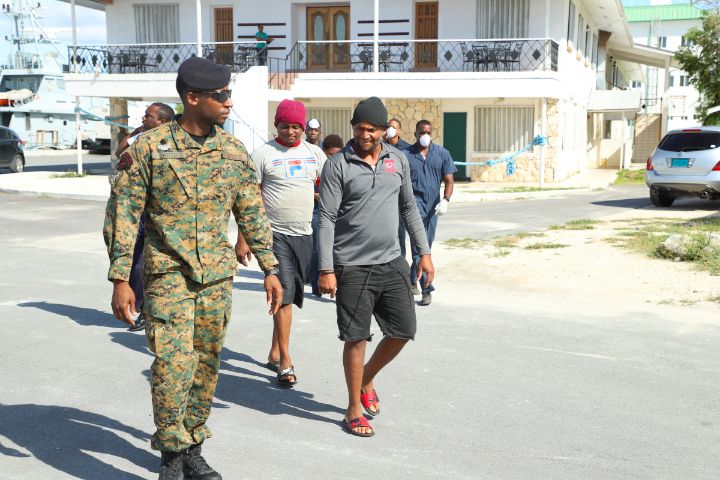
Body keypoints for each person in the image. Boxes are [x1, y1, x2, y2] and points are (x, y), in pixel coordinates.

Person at [103, 56, 282, 480]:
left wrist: (271, 268)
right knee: (170, 364)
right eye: (220, 96)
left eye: (227, 94)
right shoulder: (149, 148)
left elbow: (251, 213)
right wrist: (119, 279)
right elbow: (124, 217)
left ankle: (193, 445)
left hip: (216, 278)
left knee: (206, 363)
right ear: (193, 98)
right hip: (168, 275)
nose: (228, 102)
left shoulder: (233, 151)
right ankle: (171, 453)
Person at [317, 97, 434, 437]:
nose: (364, 135)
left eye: (371, 130)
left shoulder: (397, 159)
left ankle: (366, 378)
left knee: (402, 330)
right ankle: (353, 407)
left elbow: (409, 208)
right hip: (351, 265)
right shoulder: (338, 165)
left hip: (391, 261)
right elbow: (325, 218)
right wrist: (326, 268)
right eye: (359, 128)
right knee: (356, 338)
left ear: (385, 131)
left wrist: (423, 252)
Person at [237, 99, 326, 387]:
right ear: (277, 126)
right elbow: (247, 200)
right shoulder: (262, 154)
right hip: (273, 236)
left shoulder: (315, 154)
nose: (291, 131)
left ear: (303, 127)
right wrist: (243, 238)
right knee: (284, 292)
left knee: (291, 294)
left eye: (296, 127)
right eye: (285, 126)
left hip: (305, 235)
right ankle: (285, 361)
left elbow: (329, 190)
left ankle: (275, 349)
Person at [115, 102, 175, 332]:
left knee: (145, 263)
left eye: (148, 116)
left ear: (161, 121)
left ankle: (145, 309)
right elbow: (119, 151)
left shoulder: (168, 143)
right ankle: (141, 306)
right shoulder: (139, 137)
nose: (143, 117)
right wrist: (135, 133)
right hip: (135, 209)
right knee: (132, 258)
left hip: (157, 211)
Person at [400, 119, 457, 306]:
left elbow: (449, 179)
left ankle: (412, 279)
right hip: (412, 206)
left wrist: (446, 200)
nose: (425, 136)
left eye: (428, 132)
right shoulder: (405, 155)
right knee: (420, 246)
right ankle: (427, 289)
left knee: (426, 246)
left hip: (433, 207)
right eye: (421, 132)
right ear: (415, 134)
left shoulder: (442, 154)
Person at [308, 133, 344, 297]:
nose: (333, 158)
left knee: (337, 249)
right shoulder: (316, 166)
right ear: (324, 152)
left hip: (339, 213)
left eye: (337, 154)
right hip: (318, 211)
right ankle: (317, 284)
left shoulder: (343, 168)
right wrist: (316, 195)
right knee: (318, 249)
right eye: (331, 154)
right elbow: (305, 187)